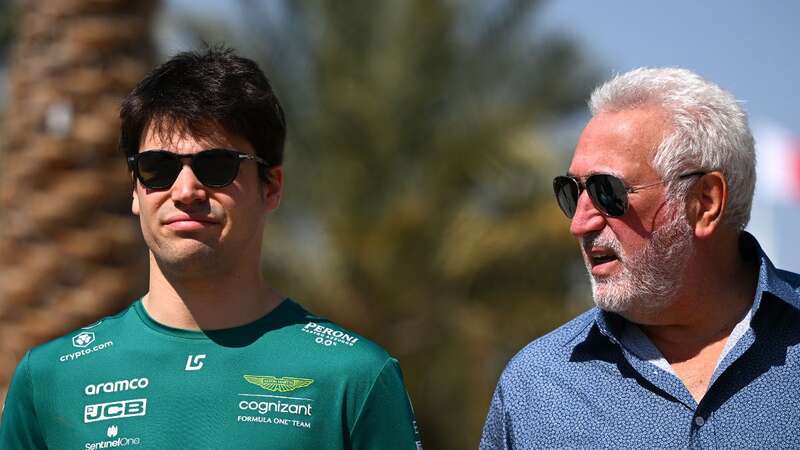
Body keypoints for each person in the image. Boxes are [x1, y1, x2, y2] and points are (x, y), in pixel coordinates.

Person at [0, 47, 423, 450]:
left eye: (216, 167)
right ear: (134, 189)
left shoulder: (355, 378)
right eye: (157, 168)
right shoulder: (50, 379)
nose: (185, 191)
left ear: (271, 186)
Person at [480, 67, 800, 449]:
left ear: (705, 202)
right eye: (571, 192)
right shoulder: (534, 388)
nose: (580, 224)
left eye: (606, 191)